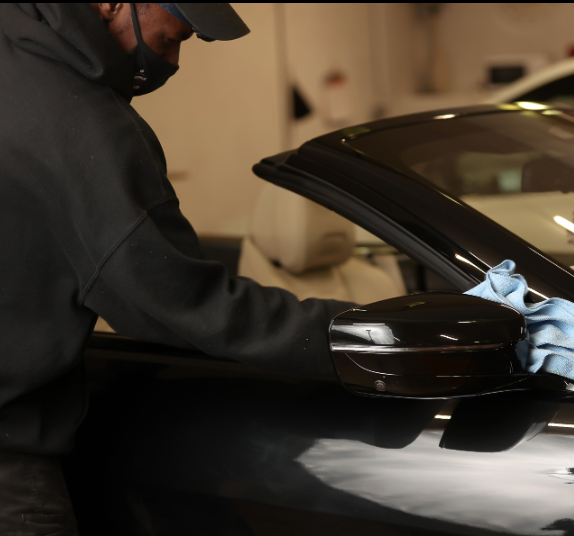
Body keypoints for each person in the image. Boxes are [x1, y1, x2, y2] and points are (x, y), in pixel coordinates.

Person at [0, 4, 354, 534]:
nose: (174, 61)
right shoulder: (86, 127)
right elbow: (185, 305)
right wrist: (363, 334)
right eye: (172, 39)